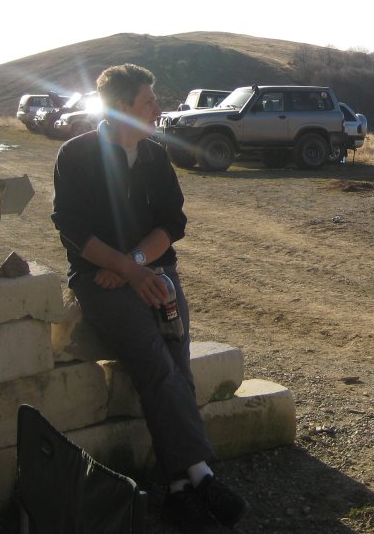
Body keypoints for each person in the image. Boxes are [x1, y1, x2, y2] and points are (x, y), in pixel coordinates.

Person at [52, 63, 247, 531]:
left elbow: (172, 224)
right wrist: (126, 270)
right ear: (121, 107)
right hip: (99, 280)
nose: (158, 109)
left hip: (153, 270)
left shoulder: (155, 156)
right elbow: (74, 230)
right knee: (155, 361)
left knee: (177, 361)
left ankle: (178, 489)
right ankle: (201, 474)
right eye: (149, 102)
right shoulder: (76, 155)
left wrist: (135, 264)